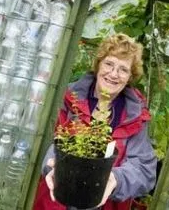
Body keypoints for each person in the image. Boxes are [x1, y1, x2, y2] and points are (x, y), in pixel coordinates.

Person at [33, 33, 157, 210]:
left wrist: (114, 180)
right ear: (98, 65)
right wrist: (54, 165)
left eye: (123, 69)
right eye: (109, 64)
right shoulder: (69, 99)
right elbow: (47, 141)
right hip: (55, 202)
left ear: (130, 77)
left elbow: (144, 169)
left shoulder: (135, 116)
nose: (114, 74)